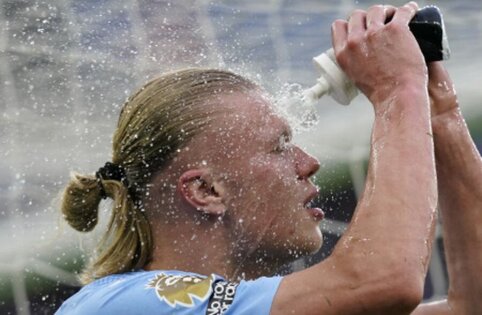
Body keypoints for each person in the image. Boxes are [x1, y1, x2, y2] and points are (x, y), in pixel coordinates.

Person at [56, 2, 482, 314]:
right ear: (205, 190)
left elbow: (471, 304)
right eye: (279, 147)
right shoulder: (122, 305)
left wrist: (438, 111)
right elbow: (385, 280)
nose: (308, 162)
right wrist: (397, 90)